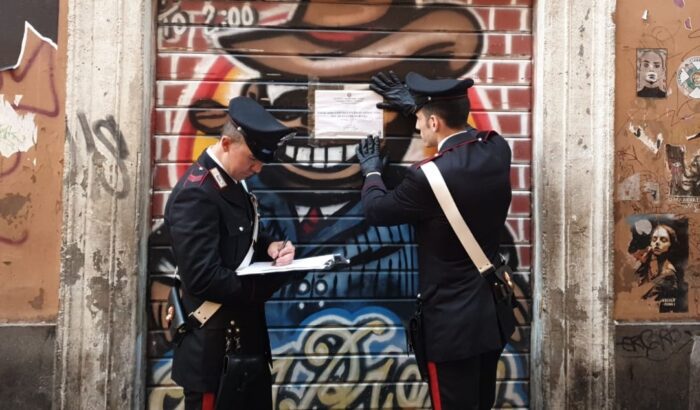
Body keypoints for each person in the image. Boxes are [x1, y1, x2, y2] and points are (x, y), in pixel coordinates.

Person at [357, 71, 514, 409]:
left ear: (433, 122)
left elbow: (377, 210)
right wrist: (419, 106)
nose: (417, 127)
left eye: (421, 121)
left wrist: (371, 171)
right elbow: (468, 131)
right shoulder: (498, 150)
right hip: (489, 317)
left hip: (450, 328)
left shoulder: (427, 177)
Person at [164, 96, 297, 410]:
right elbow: (203, 277)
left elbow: (237, 231)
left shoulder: (231, 181)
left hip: (241, 346)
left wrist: (268, 245)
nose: (258, 167)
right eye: (252, 158)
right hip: (213, 353)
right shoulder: (196, 194)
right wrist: (269, 281)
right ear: (226, 143)